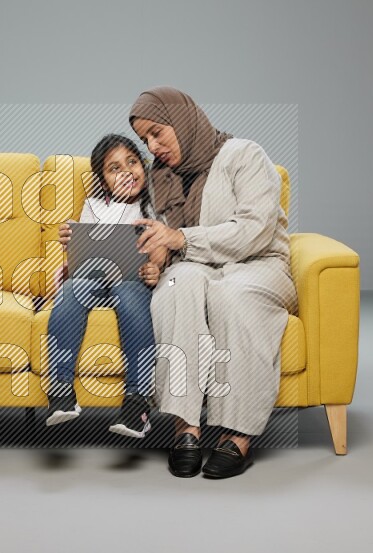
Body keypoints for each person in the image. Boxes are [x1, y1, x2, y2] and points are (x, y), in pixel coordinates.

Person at [129, 87, 298, 478]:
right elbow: (165, 242)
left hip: (257, 264)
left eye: (157, 133)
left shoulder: (245, 155)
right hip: (197, 264)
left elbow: (254, 230)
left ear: (182, 120)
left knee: (232, 296)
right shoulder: (160, 177)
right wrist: (156, 255)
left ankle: (237, 434)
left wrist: (180, 239)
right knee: (176, 287)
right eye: (145, 140)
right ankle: (185, 428)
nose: (152, 147)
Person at [44, 134, 166, 439]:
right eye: (114, 169)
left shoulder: (153, 206)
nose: (126, 173)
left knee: (128, 293)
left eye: (132, 163)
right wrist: (71, 243)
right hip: (95, 279)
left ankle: (137, 403)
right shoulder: (94, 206)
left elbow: (161, 251)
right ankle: (61, 392)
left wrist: (155, 269)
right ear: (103, 181)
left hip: (132, 281)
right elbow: (82, 259)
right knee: (72, 290)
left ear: (143, 166)